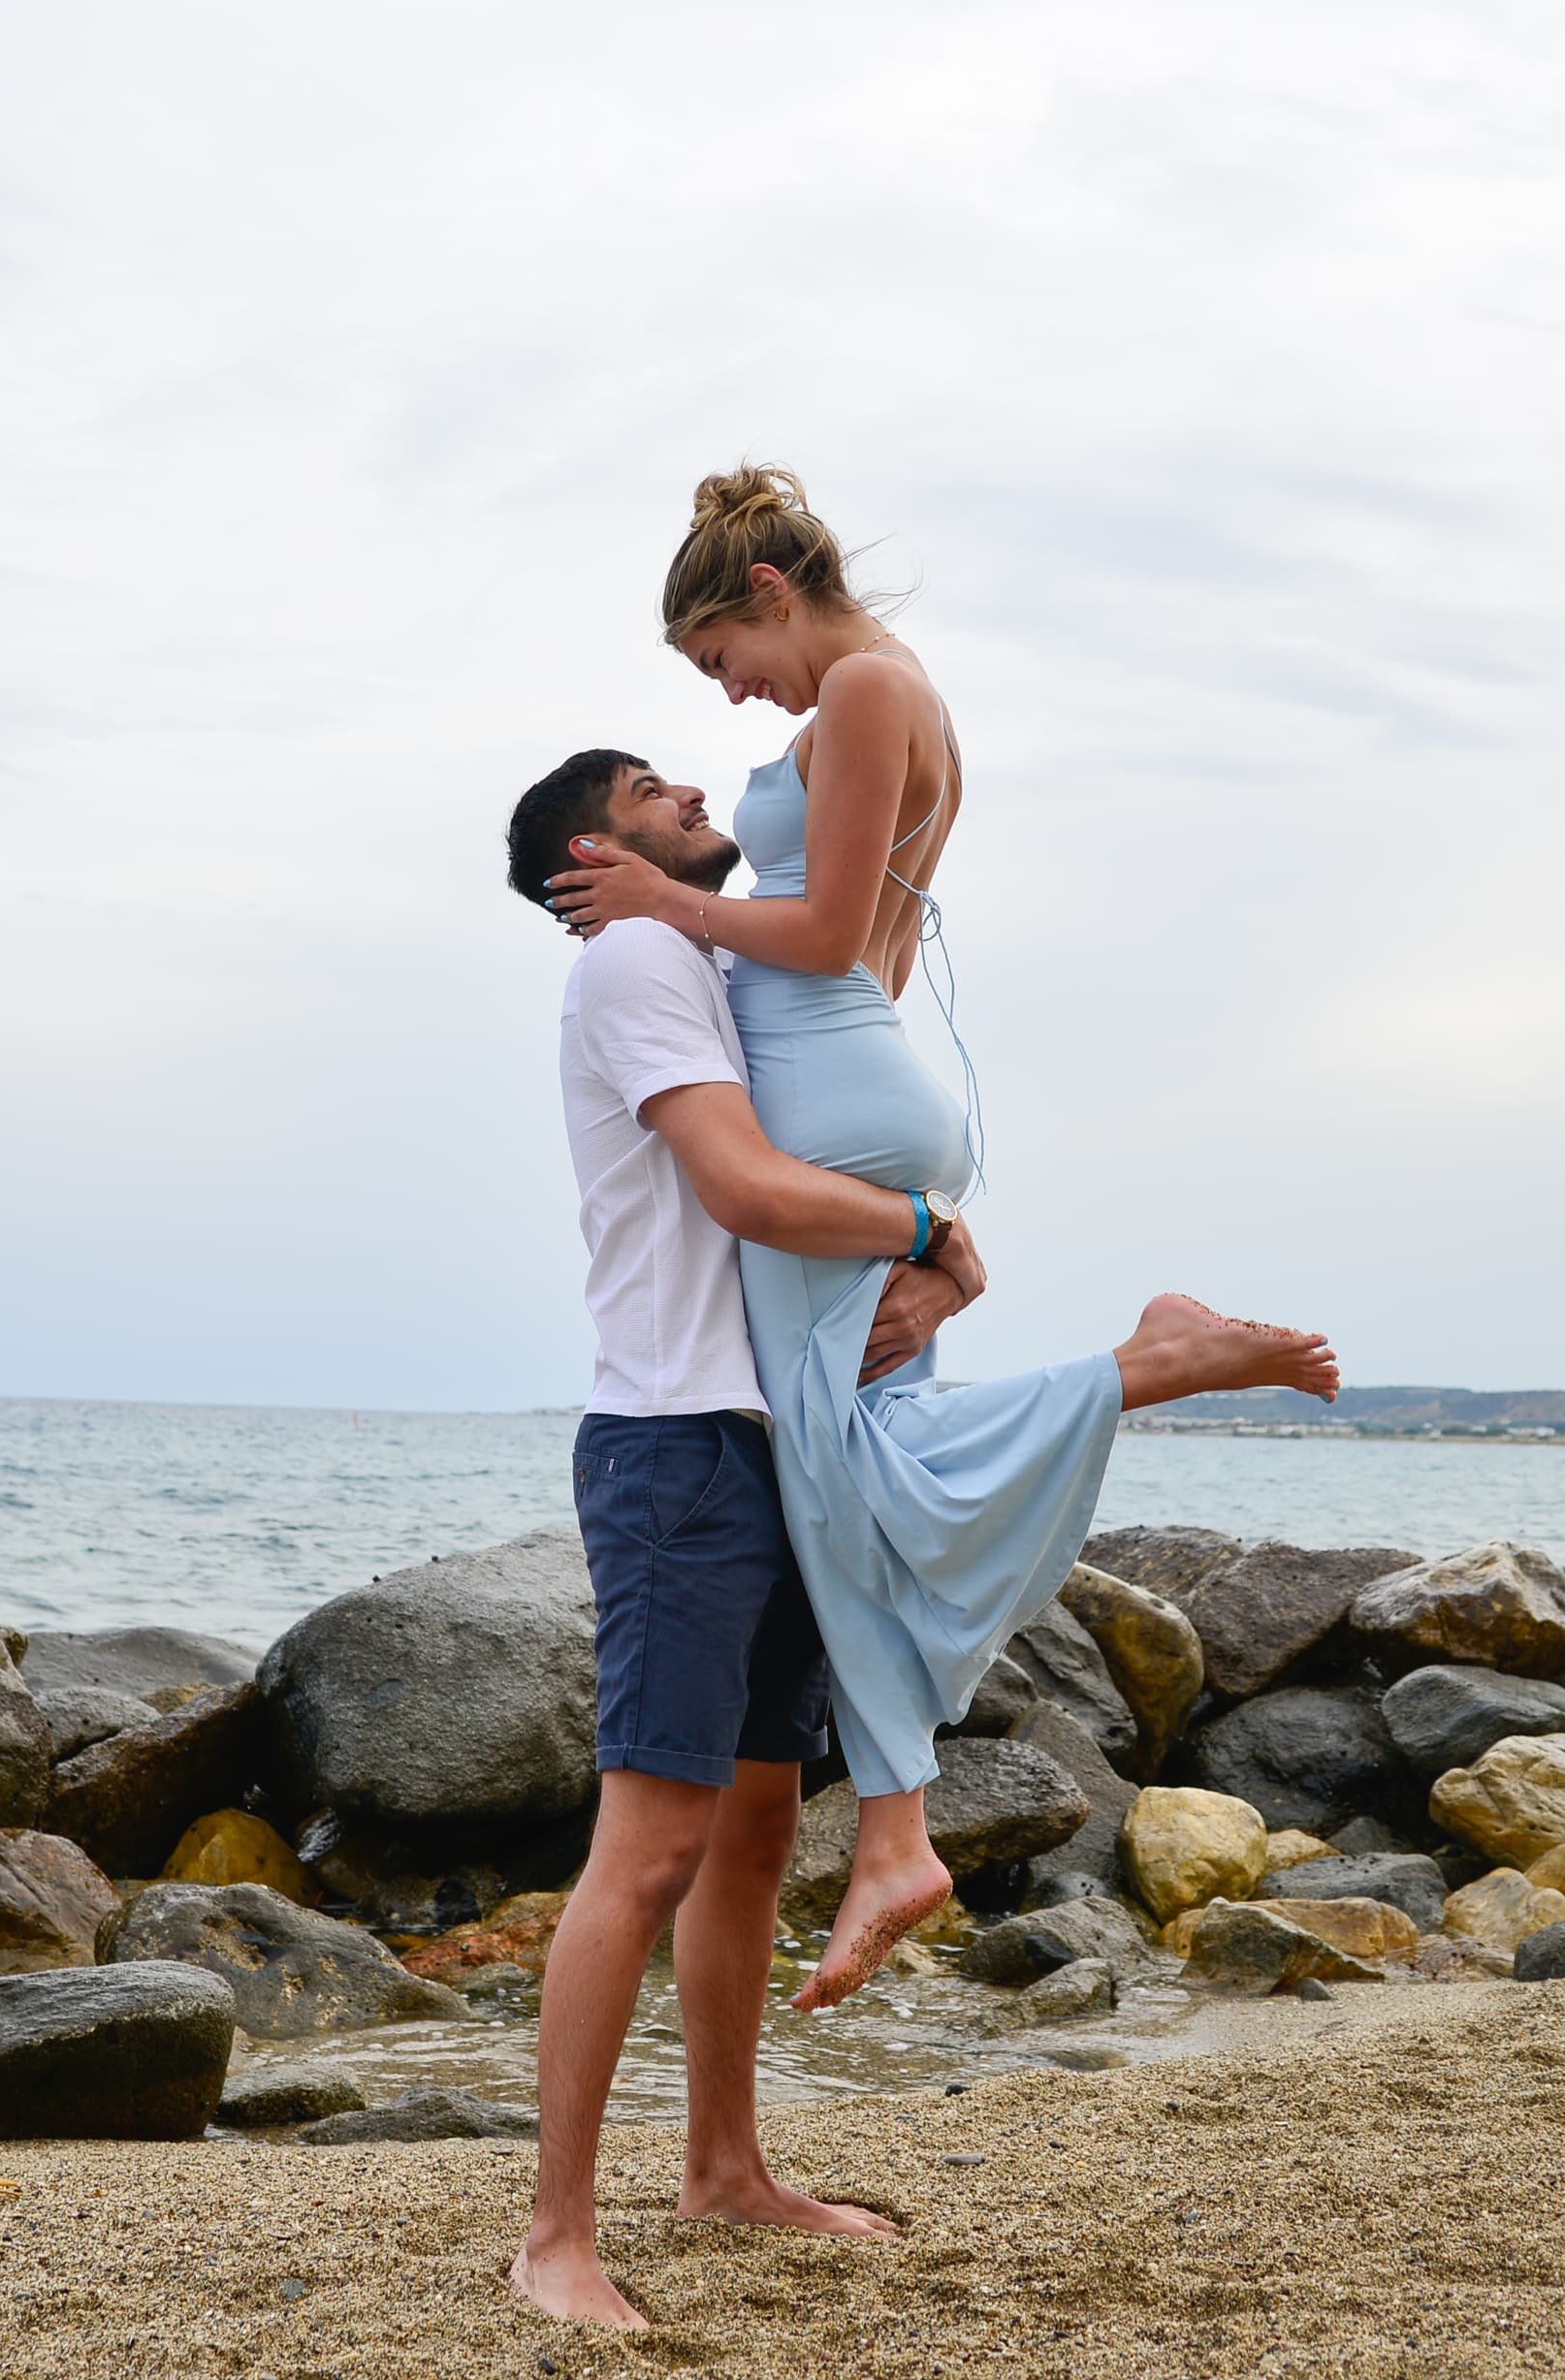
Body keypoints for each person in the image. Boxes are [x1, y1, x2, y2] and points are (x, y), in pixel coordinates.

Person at [501, 744, 1337, 2329]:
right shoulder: (632, 963)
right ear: (588, 859)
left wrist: (949, 1267)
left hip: (793, 1443)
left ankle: (726, 2169)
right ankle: (554, 2235)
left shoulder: (726, 967)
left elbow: (865, 1127)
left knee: (751, 1835)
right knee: (652, 1844)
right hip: (681, 1447)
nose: (690, 788)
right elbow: (751, 1189)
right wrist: (922, 1233)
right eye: (648, 789)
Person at [545, 464, 1342, 2010]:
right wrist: (911, 1174)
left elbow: (833, 935)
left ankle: (1143, 1366)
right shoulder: (911, 703)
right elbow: (875, 956)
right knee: (858, 1431)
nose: (734, 698)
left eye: (724, 662)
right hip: (860, 1063)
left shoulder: (856, 691)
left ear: (767, 596)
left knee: (843, 1450)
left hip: (835, 1064)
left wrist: (662, 899)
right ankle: (900, 1817)